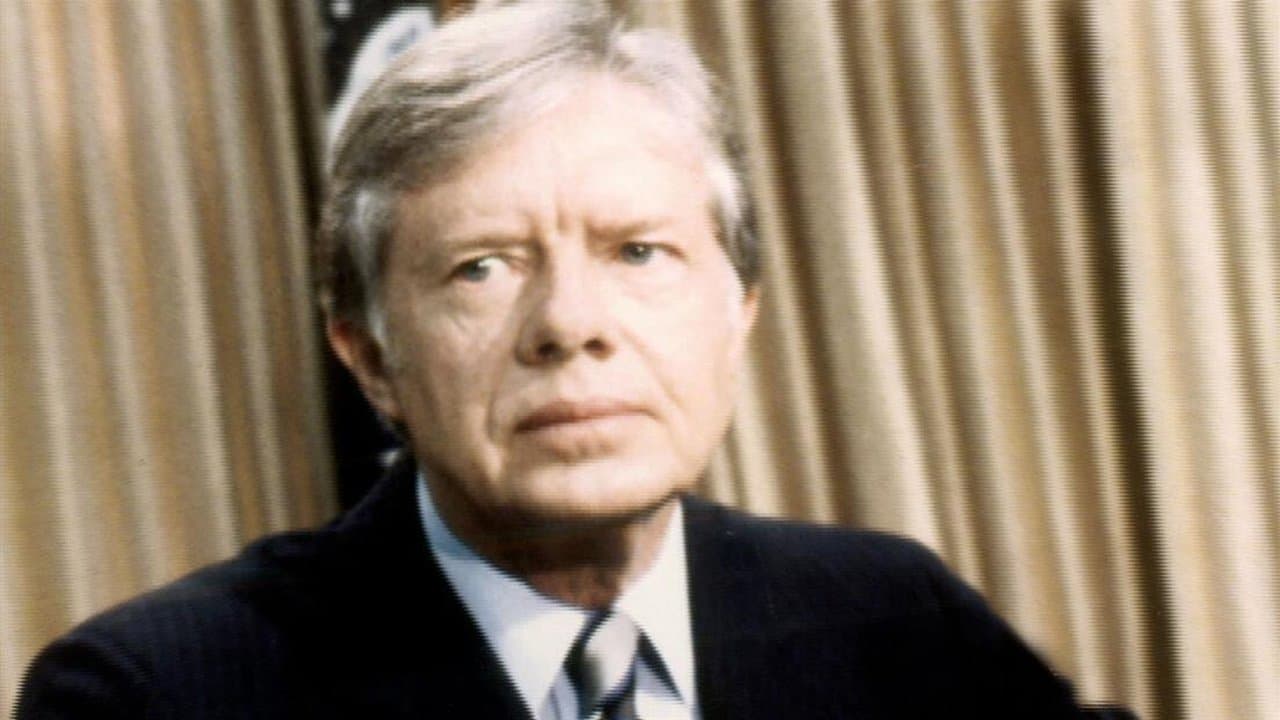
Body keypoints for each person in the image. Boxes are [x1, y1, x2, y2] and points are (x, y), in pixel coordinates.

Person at [18, 3, 1135, 718]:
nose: (570, 324)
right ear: (370, 360)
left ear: (738, 310)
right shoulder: (156, 696)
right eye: (482, 268)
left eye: (636, 251)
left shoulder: (897, 623)